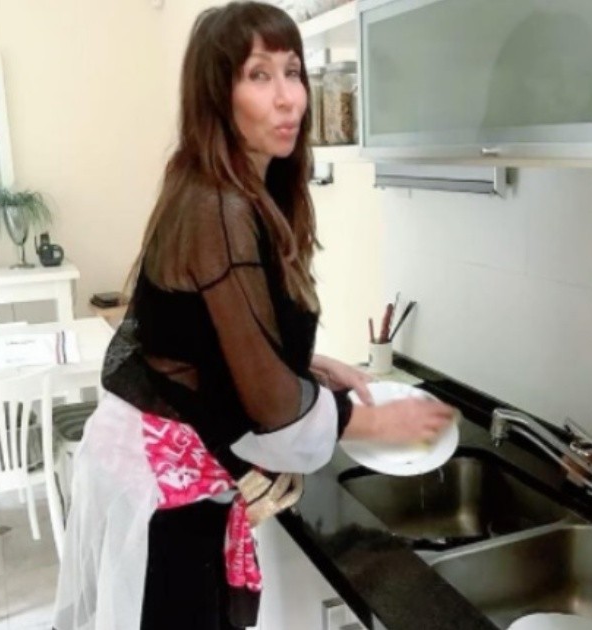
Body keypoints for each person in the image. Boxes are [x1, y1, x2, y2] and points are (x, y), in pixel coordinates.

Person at [52, 3, 455, 630]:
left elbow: (208, 334)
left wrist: (310, 365)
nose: (289, 98)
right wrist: (374, 422)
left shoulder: (229, 188)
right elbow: (270, 405)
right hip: (166, 486)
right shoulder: (219, 207)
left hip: (176, 467)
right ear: (218, 96)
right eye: (259, 76)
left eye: (293, 71)